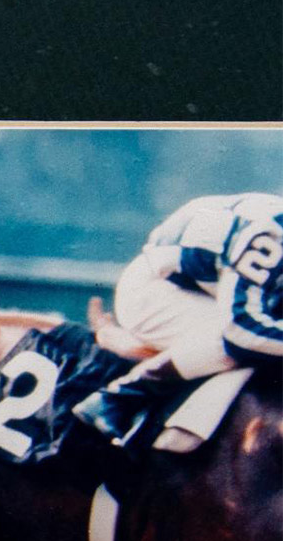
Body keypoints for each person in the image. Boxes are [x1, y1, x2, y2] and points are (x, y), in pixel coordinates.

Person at [74, 189, 283, 448]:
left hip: (209, 291)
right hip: (157, 289)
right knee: (238, 344)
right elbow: (241, 329)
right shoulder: (271, 235)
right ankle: (119, 396)